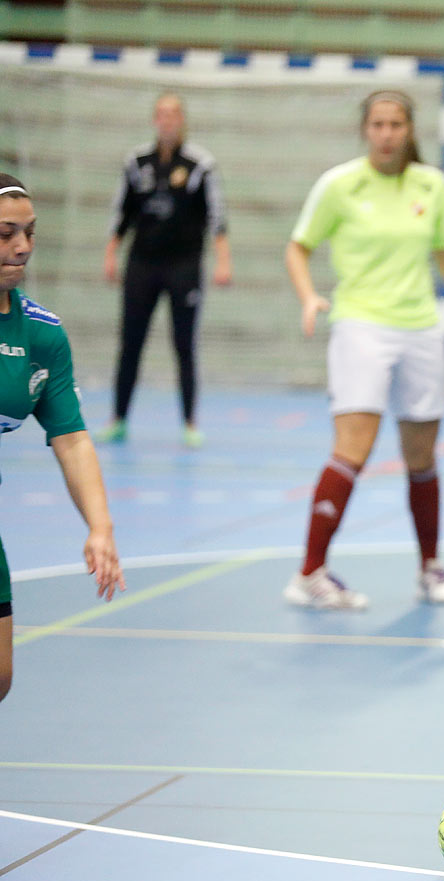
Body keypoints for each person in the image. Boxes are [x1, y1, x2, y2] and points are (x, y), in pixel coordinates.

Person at [283, 89, 444, 611]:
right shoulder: (339, 185)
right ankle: (310, 572)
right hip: (361, 326)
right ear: (365, 130)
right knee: (353, 447)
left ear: (409, 130)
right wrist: (310, 295)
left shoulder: (430, 184)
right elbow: (298, 246)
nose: (386, 133)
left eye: (395, 124)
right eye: (377, 124)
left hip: (422, 329)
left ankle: (430, 567)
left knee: (422, 455)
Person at [0, 174, 127, 702]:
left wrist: (100, 526)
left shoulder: (41, 334)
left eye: (29, 232)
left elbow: (71, 438)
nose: (23, 246)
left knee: (0, 677)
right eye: (7, 233)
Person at [102, 92, 231, 448]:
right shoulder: (137, 161)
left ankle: (190, 422)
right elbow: (121, 213)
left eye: (173, 114)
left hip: (184, 266)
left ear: (183, 119)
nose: (167, 120)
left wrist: (223, 259)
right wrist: (111, 252)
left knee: (184, 344)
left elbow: (216, 215)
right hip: (141, 263)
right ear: (154, 119)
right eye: (161, 113)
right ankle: (118, 419)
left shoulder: (200, 164)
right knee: (130, 342)